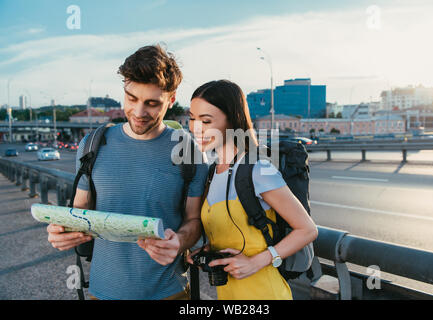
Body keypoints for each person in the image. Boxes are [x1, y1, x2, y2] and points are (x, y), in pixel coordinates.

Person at [46, 44, 209, 300]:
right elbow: (80, 213)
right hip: (102, 292)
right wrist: (62, 231)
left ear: (172, 99)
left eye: (152, 103)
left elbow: (194, 221)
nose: (139, 112)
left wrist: (178, 241)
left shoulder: (188, 150)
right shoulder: (91, 145)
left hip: (170, 293)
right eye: (132, 98)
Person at [187, 80, 318, 300]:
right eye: (192, 118)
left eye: (206, 120)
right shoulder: (211, 173)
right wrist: (210, 253)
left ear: (232, 120)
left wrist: (255, 262)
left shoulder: (257, 169)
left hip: (265, 293)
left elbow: (307, 229)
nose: (196, 128)